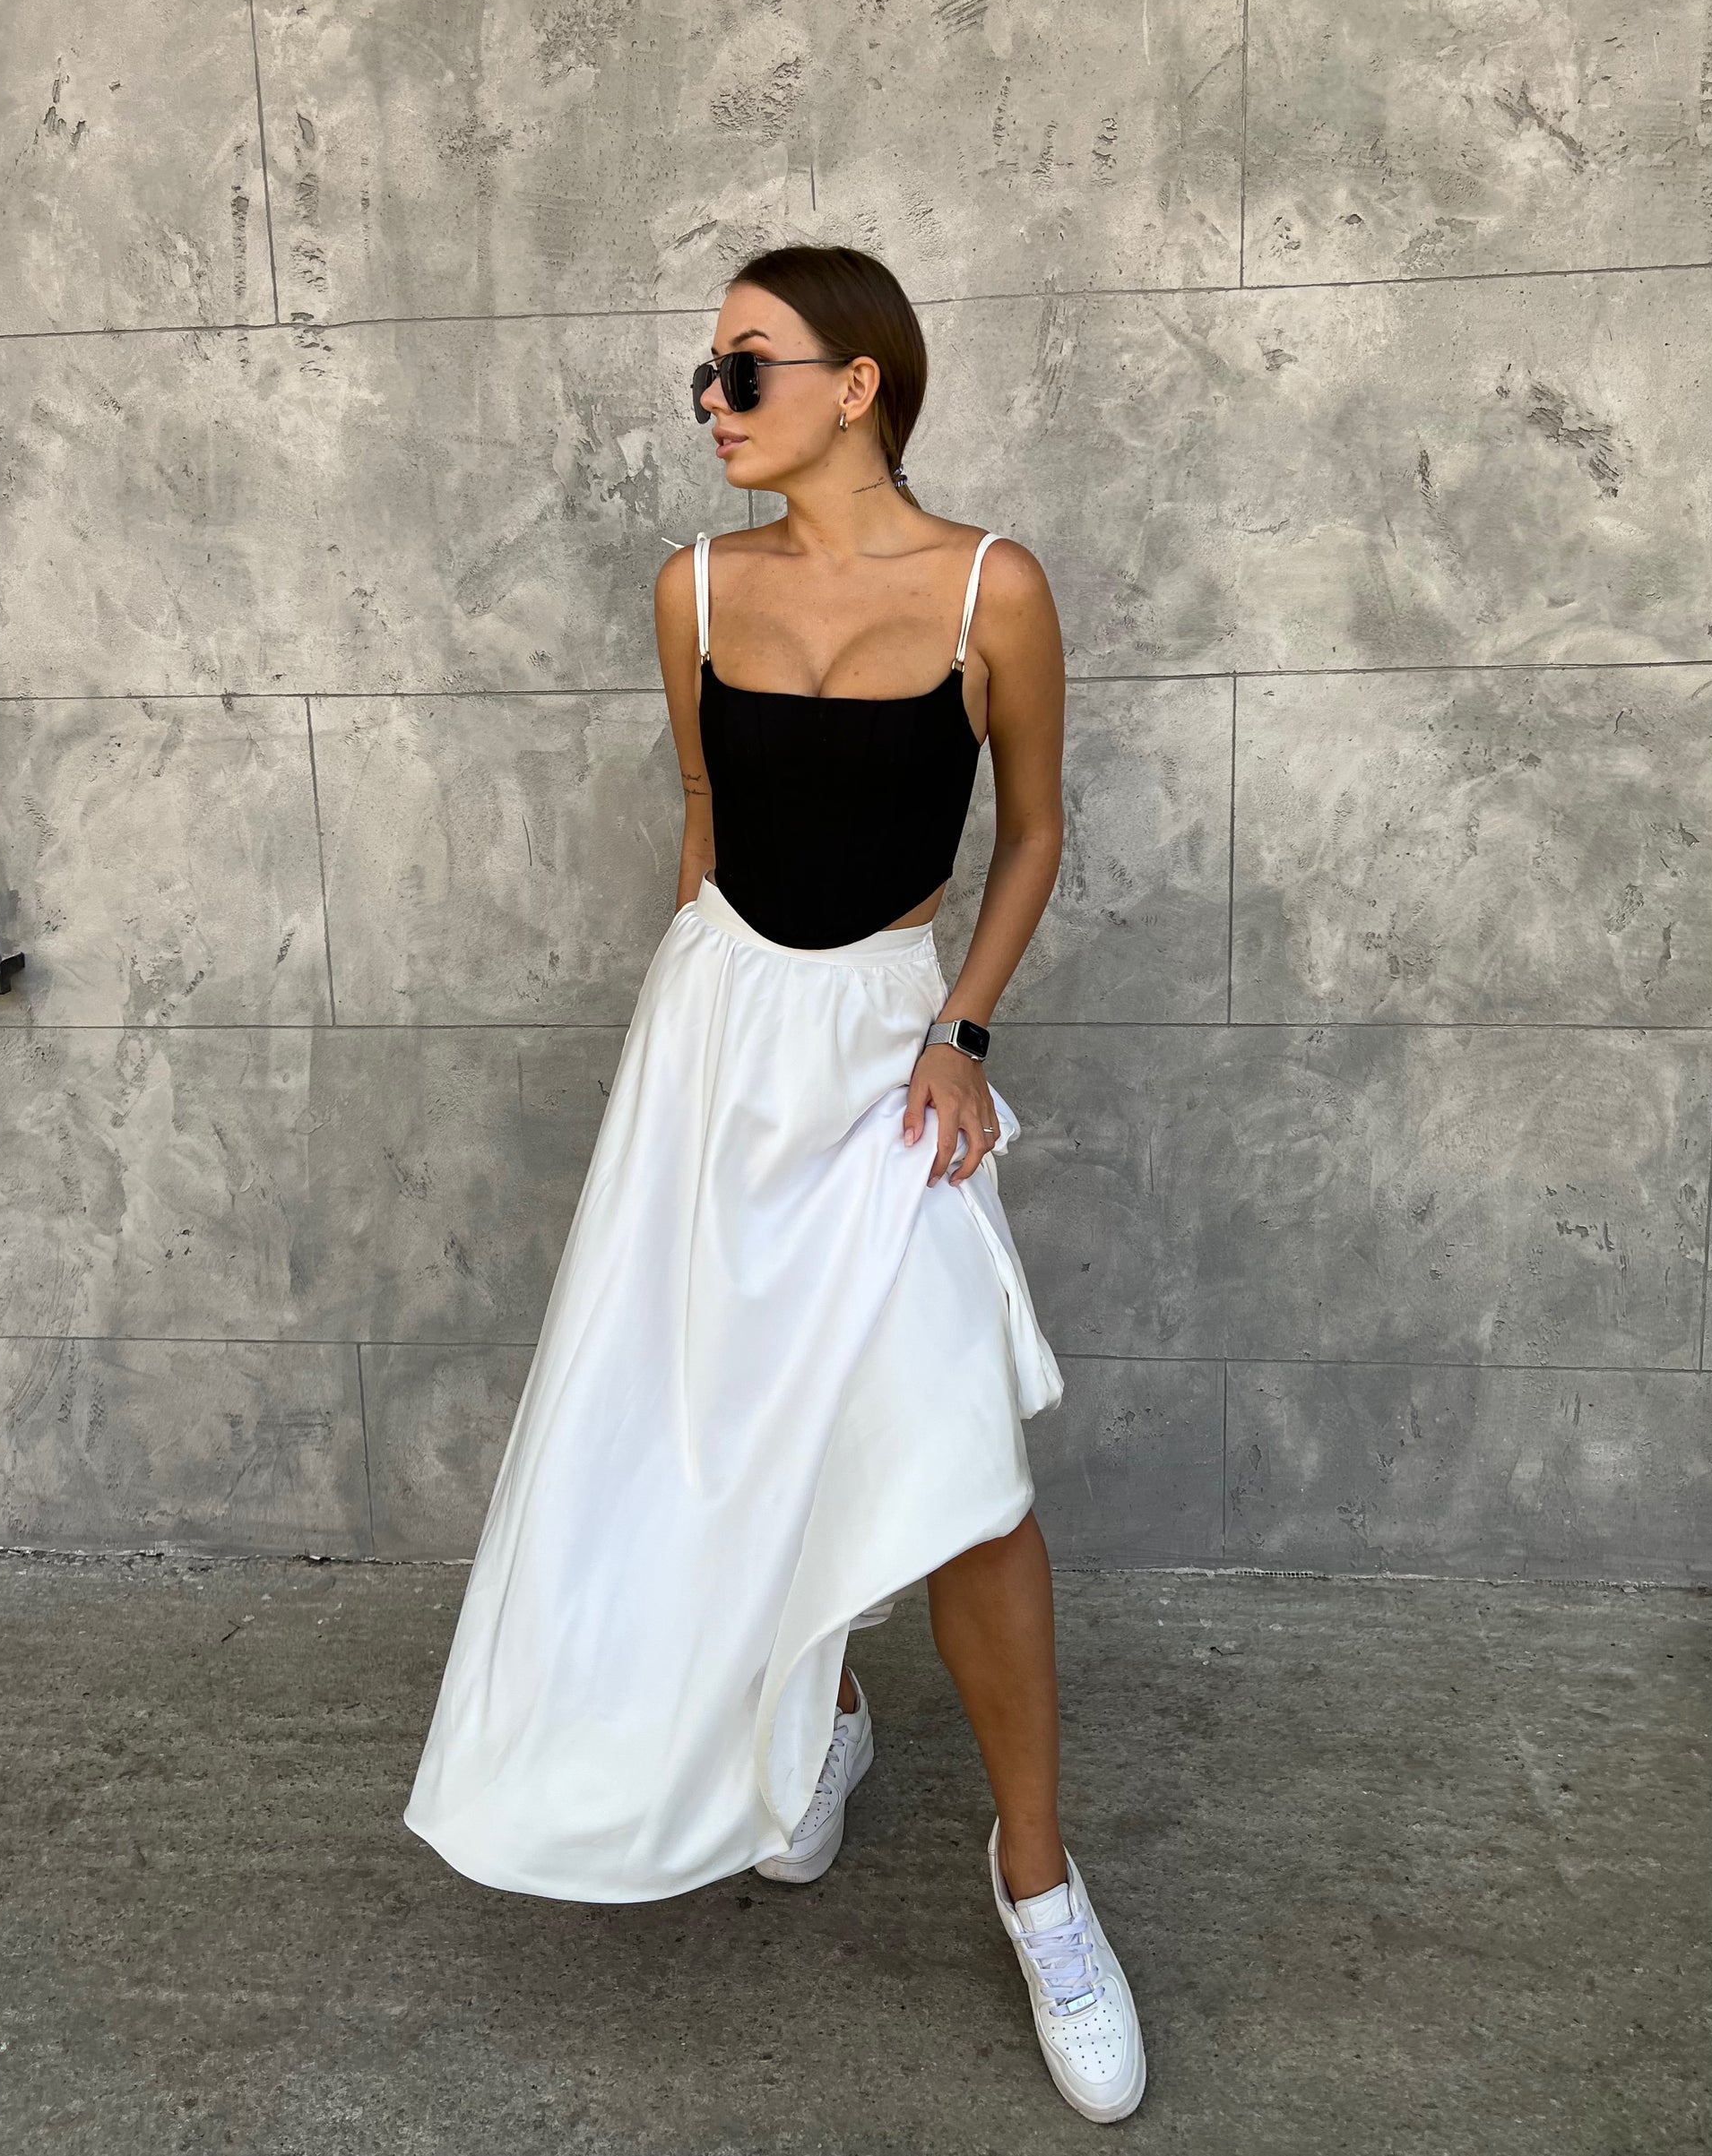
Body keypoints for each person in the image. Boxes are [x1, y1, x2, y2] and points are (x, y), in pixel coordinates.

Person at [403, 242, 1146, 2125]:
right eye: (706, 375)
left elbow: (1034, 829)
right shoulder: (695, 587)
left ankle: (1041, 1885)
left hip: (888, 1049)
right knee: (712, 1414)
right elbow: (705, 815)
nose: (712, 403)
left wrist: (961, 1032)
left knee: (960, 1465)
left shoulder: (990, 588)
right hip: (715, 1045)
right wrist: (684, 1042)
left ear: (856, 385)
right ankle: (817, 1714)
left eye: (744, 368)